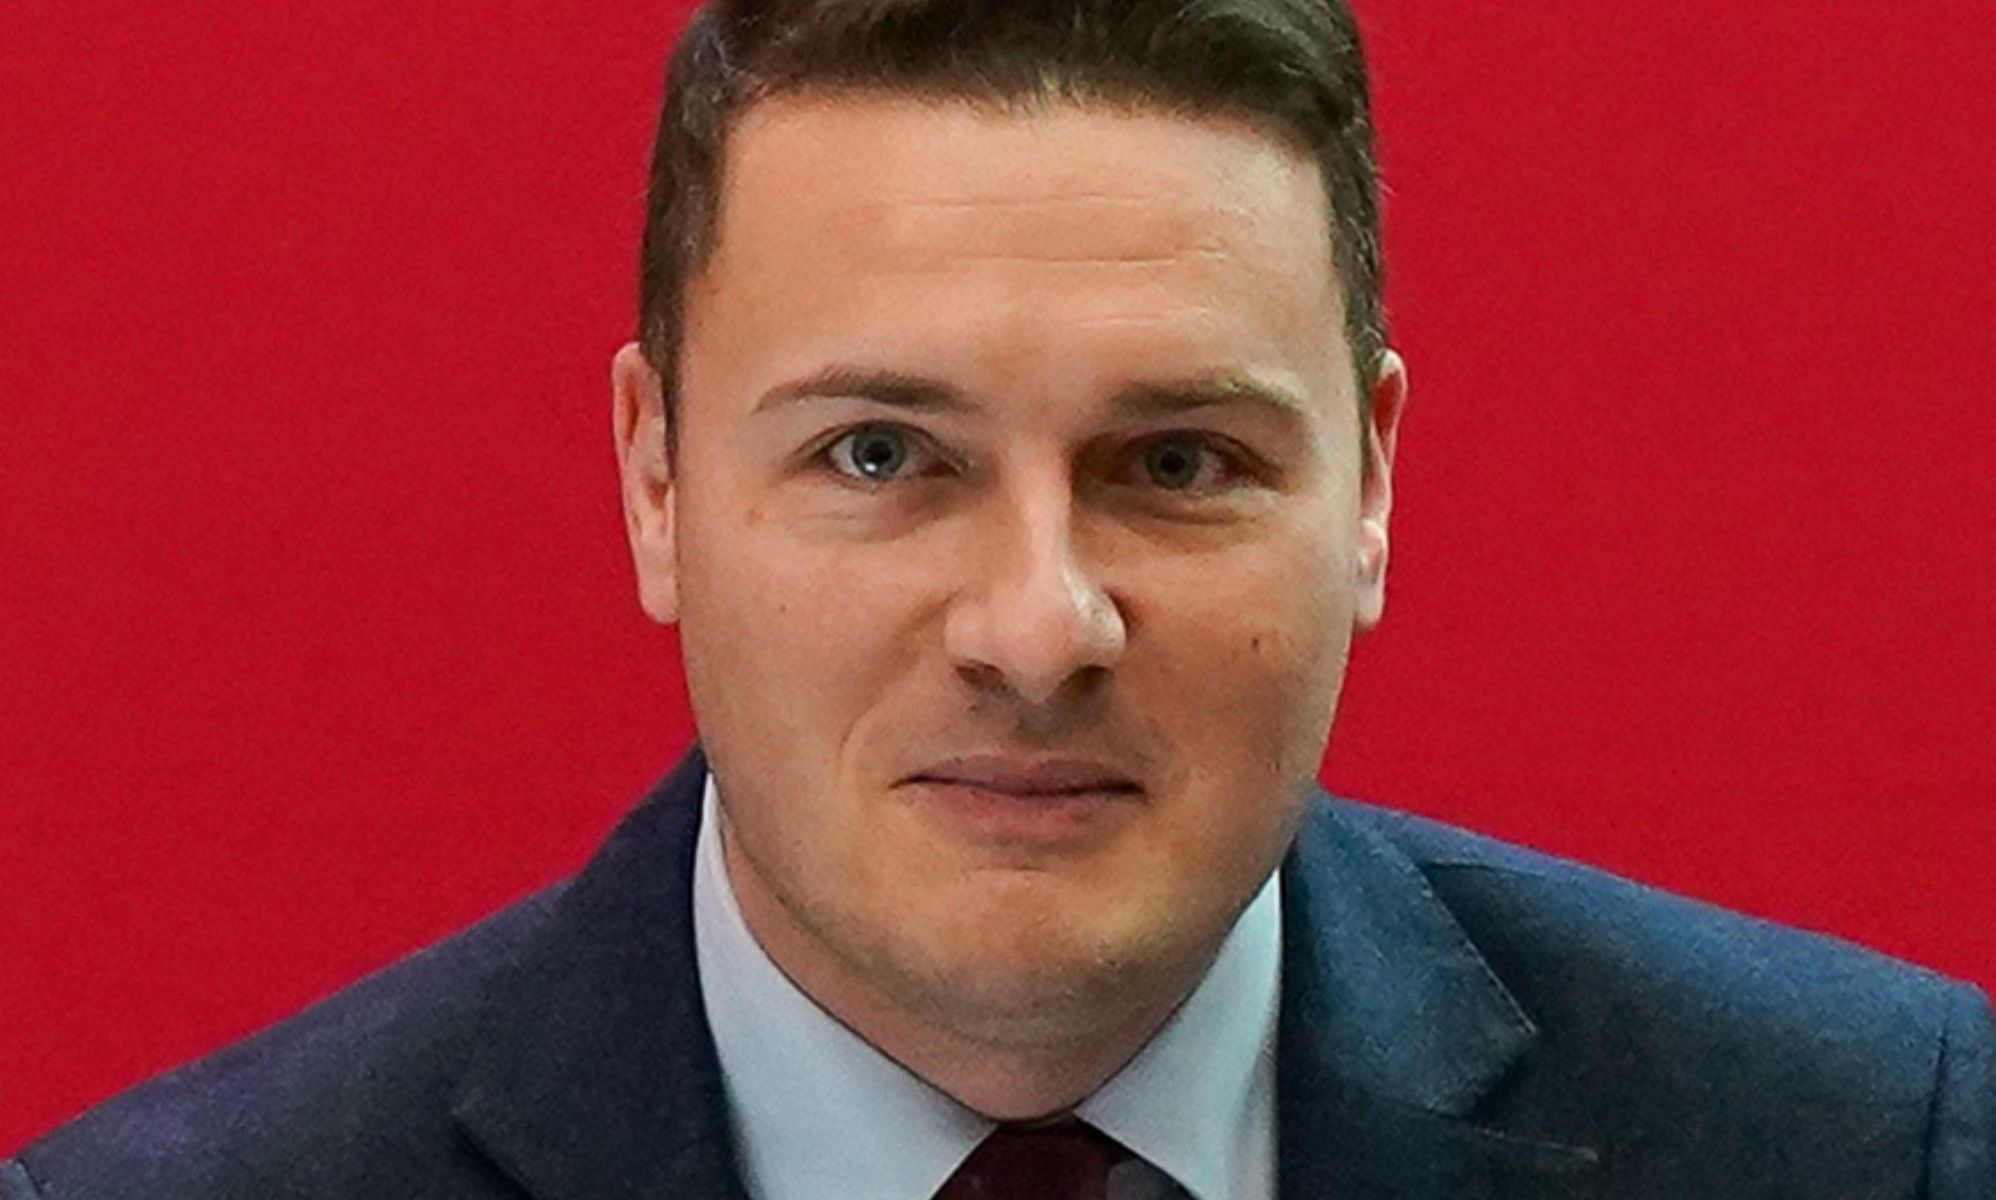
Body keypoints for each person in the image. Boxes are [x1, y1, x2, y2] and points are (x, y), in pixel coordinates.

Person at [5, 0, 1990, 1196]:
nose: (1035, 628)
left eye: (1177, 463)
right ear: (657, 483)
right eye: (880, 455)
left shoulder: (1876, 1149)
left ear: (1369, 484)